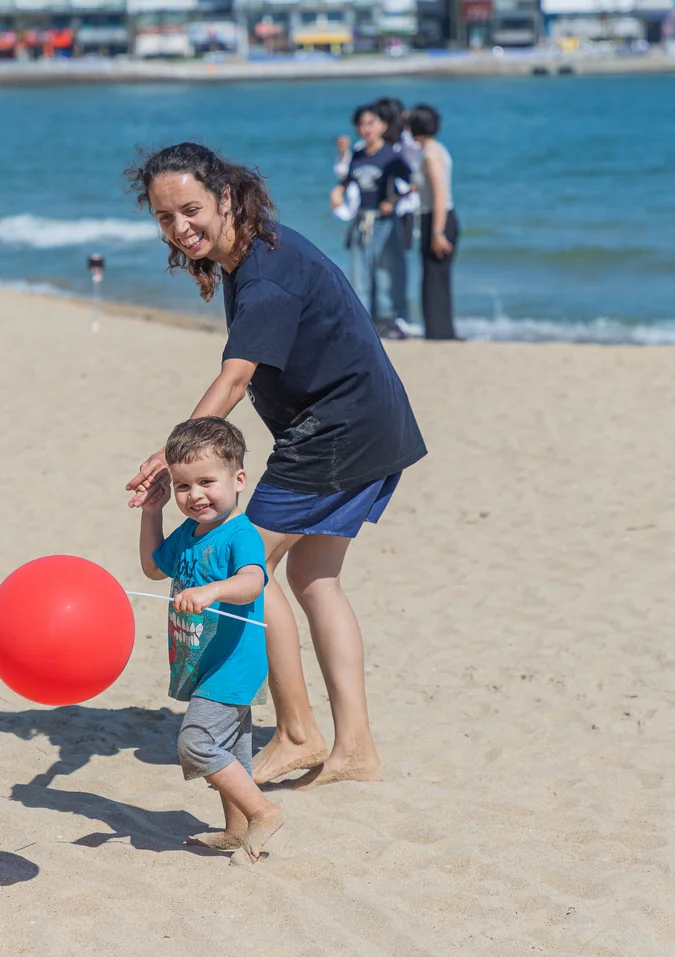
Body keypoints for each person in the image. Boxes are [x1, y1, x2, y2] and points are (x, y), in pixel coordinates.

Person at [125, 142, 427, 789]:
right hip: (368, 424)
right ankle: (356, 750)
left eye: (191, 210)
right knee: (316, 578)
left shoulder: (264, 273)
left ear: (226, 198)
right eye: (165, 219)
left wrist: (174, 451)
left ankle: (298, 732)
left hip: (337, 434)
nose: (180, 228)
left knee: (245, 567)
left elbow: (235, 380)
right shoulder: (251, 252)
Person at [138, 416, 283, 864]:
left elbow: (253, 582)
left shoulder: (240, 533)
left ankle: (263, 812)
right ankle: (236, 830)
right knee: (232, 748)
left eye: (206, 481)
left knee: (197, 743)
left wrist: (211, 591)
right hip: (204, 660)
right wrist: (151, 511)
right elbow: (152, 568)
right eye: (183, 487)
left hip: (233, 662)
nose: (195, 495)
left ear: (238, 480)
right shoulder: (187, 532)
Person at [332, 105, 415, 339]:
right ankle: (364, 325)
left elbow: (415, 182)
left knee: (387, 274)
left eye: (371, 123)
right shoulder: (358, 154)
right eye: (361, 125)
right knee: (359, 275)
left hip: (385, 222)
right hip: (361, 220)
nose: (366, 129)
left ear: (382, 126)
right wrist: (337, 192)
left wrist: (395, 200)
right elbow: (346, 179)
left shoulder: (391, 154)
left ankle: (391, 323)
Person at [406, 104, 461, 341]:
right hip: (436, 217)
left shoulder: (430, 154)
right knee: (434, 276)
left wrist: (438, 232)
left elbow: (440, 193)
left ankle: (440, 332)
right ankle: (439, 330)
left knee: (435, 277)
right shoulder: (431, 150)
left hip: (439, 218)